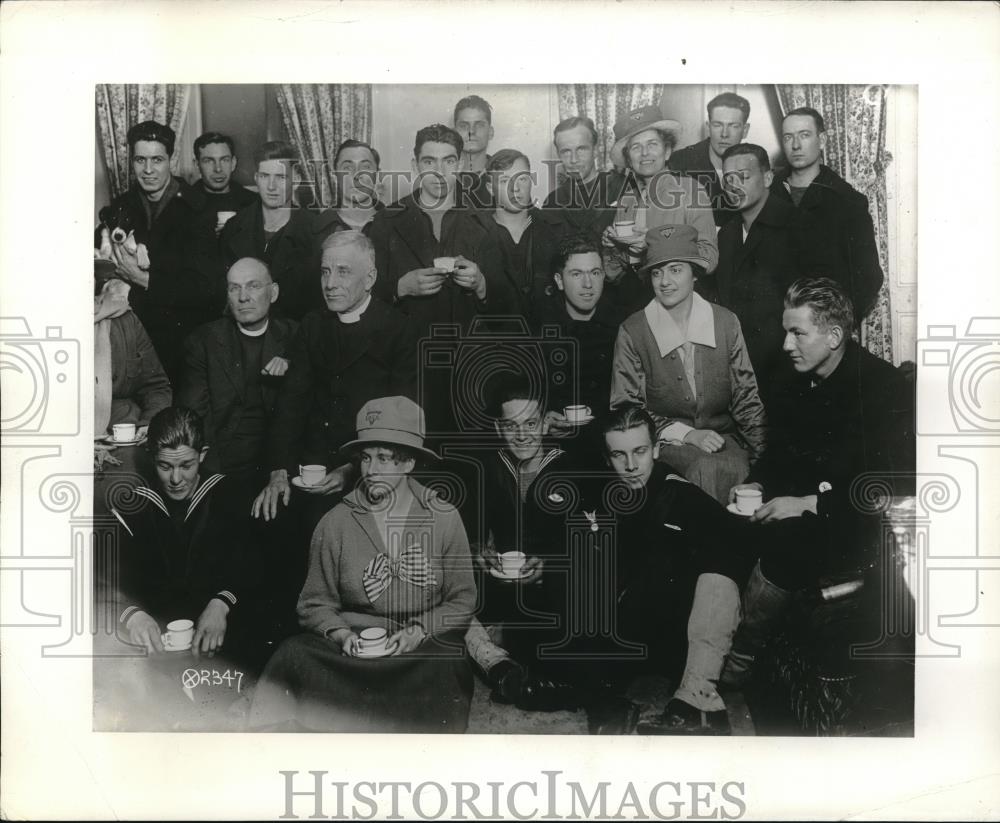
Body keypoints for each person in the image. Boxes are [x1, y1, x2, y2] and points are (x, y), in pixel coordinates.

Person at [722, 278, 914, 684]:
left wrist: (807, 504)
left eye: (797, 333)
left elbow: (889, 486)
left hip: (859, 525)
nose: (787, 345)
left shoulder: (882, 387)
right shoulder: (794, 382)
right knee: (725, 526)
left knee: (790, 541)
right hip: (809, 510)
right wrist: (755, 486)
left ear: (834, 336)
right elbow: (778, 455)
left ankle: (739, 660)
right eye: (786, 332)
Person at [247, 396, 477, 732]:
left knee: (446, 661)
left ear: (409, 462)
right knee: (292, 653)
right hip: (352, 651)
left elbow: (462, 600)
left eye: (384, 458)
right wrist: (341, 636)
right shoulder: (336, 522)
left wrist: (419, 630)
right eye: (366, 458)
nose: (371, 470)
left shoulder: (443, 516)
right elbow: (314, 605)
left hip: (414, 648)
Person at [526, 406, 749, 735]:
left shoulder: (680, 494)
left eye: (640, 452)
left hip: (665, 629)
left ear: (656, 449)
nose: (631, 466)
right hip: (613, 624)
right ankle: (598, 696)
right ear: (607, 457)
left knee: (696, 560)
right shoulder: (600, 486)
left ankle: (691, 699)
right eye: (619, 455)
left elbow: (733, 552)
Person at [252, 230, 417, 525]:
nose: (330, 284)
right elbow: (291, 404)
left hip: (367, 471)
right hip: (311, 467)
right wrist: (278, 469)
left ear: (370, 279)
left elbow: (397, 428)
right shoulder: (313, 325)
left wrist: (352, 469)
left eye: (343, 272)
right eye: (325, 272)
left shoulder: (398, 330)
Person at [610, 224, 766, 504]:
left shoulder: (726, 322)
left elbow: (747, 401)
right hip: (665, 445)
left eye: (675, 270)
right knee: (700, 471)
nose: (665, 281)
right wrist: (688, 434)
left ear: (695, 273)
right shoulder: (632, 331)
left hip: (725, 441)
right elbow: (627, 408)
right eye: (657, 272)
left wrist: (764, 465)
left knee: (741, 473)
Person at [109, 406, 262, 662]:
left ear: (202, 455)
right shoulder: (136, 508)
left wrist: (221, 603)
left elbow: (250, 567)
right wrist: (133, 614)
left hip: (223, 634)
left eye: (186, 465)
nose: (176, 479)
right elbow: (115, 580)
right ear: (151, 458)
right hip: (159, 641)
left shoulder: (229, 495)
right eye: (165, 466)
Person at [463, 377, 569, 707]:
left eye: (530, 423)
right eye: (511, 426)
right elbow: (473, 530)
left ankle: (503, 652)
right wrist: (480, 549)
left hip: (552, 593)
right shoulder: (490, 467)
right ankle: (501, 659)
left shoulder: (569, 466)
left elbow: (585, 541)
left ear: (546, 423)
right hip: (505, 588)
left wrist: (550, 564)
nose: (522, 435)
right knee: (449, 592)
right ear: (498, 428)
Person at [96, 120, 220, 384]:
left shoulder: (199, 209)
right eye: (140, 160)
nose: (148, 170)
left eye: (157, 160)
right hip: (132, 340)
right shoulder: (122, 205)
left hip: (181, 342)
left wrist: (140, 278)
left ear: (170, 160)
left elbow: (206, 289)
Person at [177, 258, 297, 488]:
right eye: (234, 288)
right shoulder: (203, 341)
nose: (243, 297)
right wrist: (215, 480)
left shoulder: (295, 337)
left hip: (279, 466)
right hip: (222, 466)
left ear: (273, 292)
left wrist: (292, 365)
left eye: (253, 286)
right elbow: (195, 419)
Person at [770, 107, 884, 322]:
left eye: (804, 135)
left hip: (823, 329)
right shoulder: (768, 195)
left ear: (821, 140)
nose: (795, 145)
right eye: (788, 137)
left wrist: (837, 323)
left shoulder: (848, 201)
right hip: (772, 327)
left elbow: (869, 277)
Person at [602, 105, 718, 314]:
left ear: (667, 151)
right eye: (636, 147)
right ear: (629, 159)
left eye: (652, 144)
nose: (644, 153)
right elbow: (613, 275)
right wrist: (612, 248)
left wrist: (654, 245)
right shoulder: (626, 200)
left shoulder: (691, 190)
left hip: (680, 300)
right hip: (634, 301)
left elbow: (709, 259)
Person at [709, 143, 801, 395]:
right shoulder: (726, 234)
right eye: (729, 179)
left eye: (744, 176)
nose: (735, 185)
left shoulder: (795, 225)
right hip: (737, 365)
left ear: (768, 177)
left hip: (785, 366)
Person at [537, 234, 623, 450]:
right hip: (555, 444)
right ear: (559, 281)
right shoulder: (540, 329)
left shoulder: (622, 326)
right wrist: (544, 416)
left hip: (611, 442)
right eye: (576, 274)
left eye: (595, 273)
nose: (588, 284)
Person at [220, 140, 320, 320]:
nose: (272, 186)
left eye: (281, 177)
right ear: (256, 179)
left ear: (295, 180)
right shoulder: (234, 228)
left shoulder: (315, 231)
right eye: (265, 176)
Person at [473, 149, 567, 324]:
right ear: (490, 188)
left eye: (522, 178)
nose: (515, 188)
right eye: (504, 180)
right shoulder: (473, 231)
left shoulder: (556, 230)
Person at [668, 92, 751, 227]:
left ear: (745, 130)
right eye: (718, 125)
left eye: (733, 126)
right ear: (708, 127)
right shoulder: (680, 162)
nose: (724, 134)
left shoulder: (756, 165)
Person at [543, 115, 624, 237]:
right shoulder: (553, 202)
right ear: (559, 155)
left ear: (595, 150)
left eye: (581, 149)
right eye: (566, 151)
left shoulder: (621, 187)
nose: (574, 159)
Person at [312, 138, 383, 238]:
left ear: (377, 175)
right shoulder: (315, 228)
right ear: (335, 176)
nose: (357, 175)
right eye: (347, 168)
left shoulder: (395, 223)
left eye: (366, 167)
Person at [191, 131, 258, 221]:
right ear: (197, 165)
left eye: (224, 160)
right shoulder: (184, 205)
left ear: (233, 163)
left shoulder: (253, 203)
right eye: (209, 161)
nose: (218, 169)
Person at [453, 94, 494, 209]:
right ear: (454, 133)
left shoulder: (507, 174)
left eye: (480, 125)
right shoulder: (441, 175)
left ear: (490, 132)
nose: (471, 131)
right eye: (464, 125)